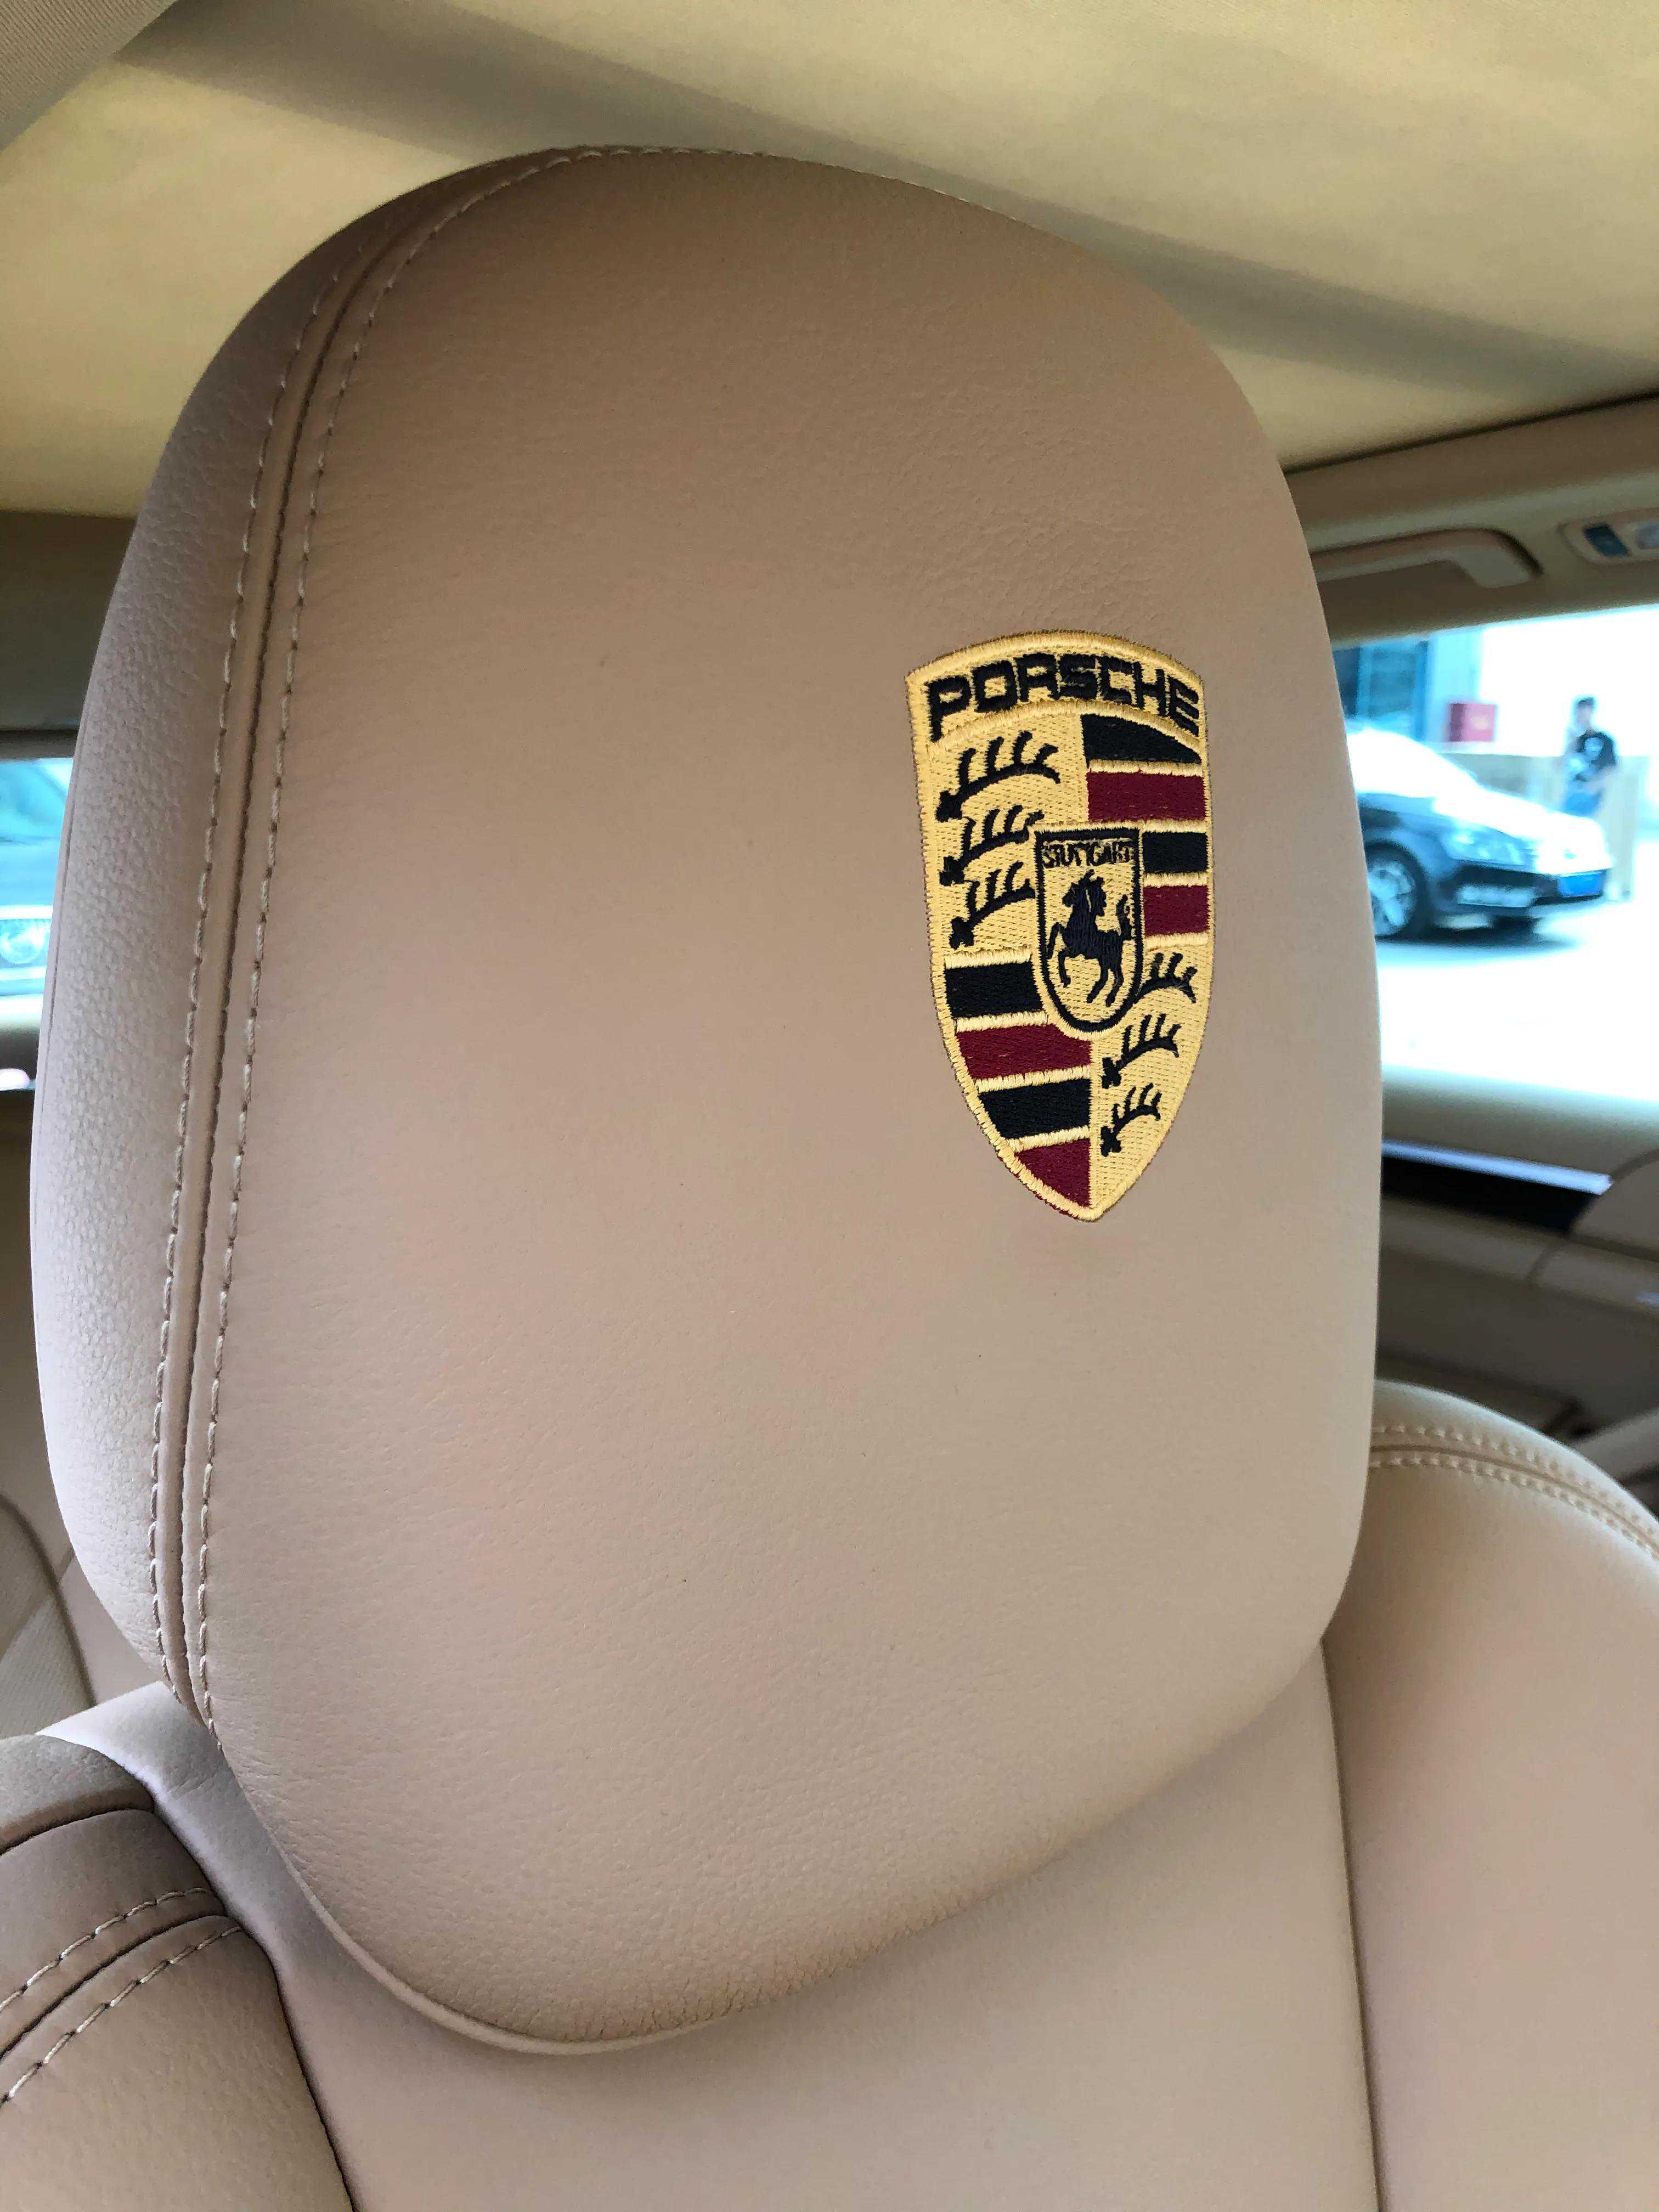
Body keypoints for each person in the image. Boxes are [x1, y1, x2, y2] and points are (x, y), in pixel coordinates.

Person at [1560, 694, 1618, 816]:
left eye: (1583, 713)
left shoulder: (1605, 740)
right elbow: (1562, 766)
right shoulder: (1576, 741)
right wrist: (1570, 743)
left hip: (1588, 796)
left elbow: (1611, 769)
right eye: (1577, 713)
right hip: (1571, 792)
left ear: (1591, 712)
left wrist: (1592, 787)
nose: (1579, 717)